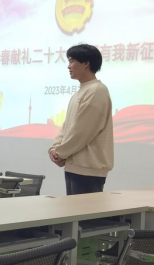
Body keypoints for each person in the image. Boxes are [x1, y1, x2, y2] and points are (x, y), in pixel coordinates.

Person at [49, 44, 114, 195]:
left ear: (86, 63)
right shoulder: (80, 92)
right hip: (74, 166)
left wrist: (60, 152)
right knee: (73, 210)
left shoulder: (97, 91)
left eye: (72, 61)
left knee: (85, 211)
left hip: (88, 170)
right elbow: (67, 127)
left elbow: (82, 131)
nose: (68, 66)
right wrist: (54, 148)